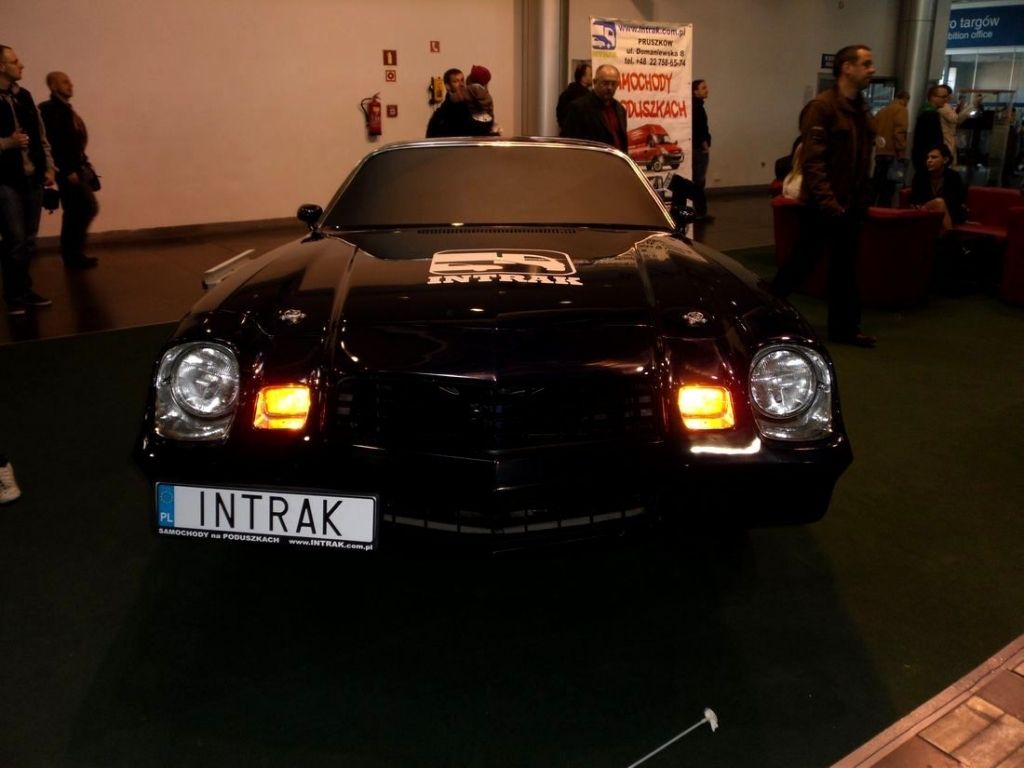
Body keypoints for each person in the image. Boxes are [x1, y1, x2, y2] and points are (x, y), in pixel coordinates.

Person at [770, 44, 877, 348]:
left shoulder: (861, 109)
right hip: (823, 206)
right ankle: (762, 313)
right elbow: (813, 162)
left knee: (845, 269)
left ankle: (845, 329)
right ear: (847, 68)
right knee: (800, 264)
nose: (872, 70)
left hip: (851, 205)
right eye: (866, 64)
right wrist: (829, 204)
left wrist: (860, 201)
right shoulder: (822, 107)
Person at [0, 44, 56, 316]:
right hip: (5, 180)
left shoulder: (24, 96)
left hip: (31, 177)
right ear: (1, 67)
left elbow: (41, 135)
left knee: (29, 240)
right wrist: (6, 143)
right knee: (15, 239)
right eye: (15, 61)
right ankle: (14, 297)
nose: (21, 65)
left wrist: (49, 167)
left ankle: (24, 289)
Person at [39, 71, 99, 269]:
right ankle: (72, 255)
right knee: (83, 208)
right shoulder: (51, 110)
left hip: (76, 167)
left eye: (70, 81)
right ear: (53, 86)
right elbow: (55, 142)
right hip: (69, 171)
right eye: (65, 82)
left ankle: (74, 254)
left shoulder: (64, 109)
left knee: (79, 209)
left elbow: (73, 142)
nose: (70, 85)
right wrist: (67, 170)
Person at [560, 64, 627, 152]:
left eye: (613, 84)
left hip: (617, 160)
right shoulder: (578, 108)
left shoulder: (620, 109)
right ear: (595, 82)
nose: (610, 87)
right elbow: (569, 145)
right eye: (605, 83)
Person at [909, 143, 966, 232]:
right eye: (928, 158)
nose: (929, 160)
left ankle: (946, 235)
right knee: (939, 202)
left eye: (934, 157)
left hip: (948, 212)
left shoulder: (953, 176)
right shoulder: (920, 175)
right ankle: (949, 236)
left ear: (945, 160)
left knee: (940, 203)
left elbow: (956, 200)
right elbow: (915, 198)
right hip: (925, 211)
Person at [425, 68, 491, 138]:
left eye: (462, 80)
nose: (461, 84)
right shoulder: (441, 115)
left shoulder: (473, 108)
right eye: (456, 81)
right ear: (448, 86)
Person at [871, 90, 909, 206]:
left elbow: (873, 131)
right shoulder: (901, 110)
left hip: (880, 152)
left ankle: (872, 210)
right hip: (893, 153)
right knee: (888, 188)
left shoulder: (882, 111)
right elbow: (899, 132)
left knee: (877, 185)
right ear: (904, 99)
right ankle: (885, 211)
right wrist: (902, 151)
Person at [911, 85, 947, 178]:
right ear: (933, 97)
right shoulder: (930, 115)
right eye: (943, 97)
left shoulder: (924, 112)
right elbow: (933, 140)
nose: (946, 100)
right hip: (928, 159)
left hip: (922, 158)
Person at [691, 79, 712, 220]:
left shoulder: (696, 106)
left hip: (698, 148)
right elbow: (700, 129)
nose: (707, 90)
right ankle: (700, 213)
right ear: (695, 91)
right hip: (699, 149)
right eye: (703, 88)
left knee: (698, 180)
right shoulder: (697, 108)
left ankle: (700, 211)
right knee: (699, 181)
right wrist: (705, 146)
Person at [937, 84, 970, 165]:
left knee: (949, 161)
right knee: (947, 162)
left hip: (948, 137)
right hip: (946, 138)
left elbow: (956, 120)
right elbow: (955, 119)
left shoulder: (945, 106)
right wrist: (971, 106)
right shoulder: (944, 107)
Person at [464, 64, 499, 135]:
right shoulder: (486, 94)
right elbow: (490, 110)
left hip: (472, 124)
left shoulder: (468, 89)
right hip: (486, 123)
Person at [555, 63, 591, 131]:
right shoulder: (587, 97)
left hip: (567, 133)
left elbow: (559, 115)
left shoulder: (565, 93)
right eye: (590, 75)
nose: (592, 78)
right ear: (583, 78)